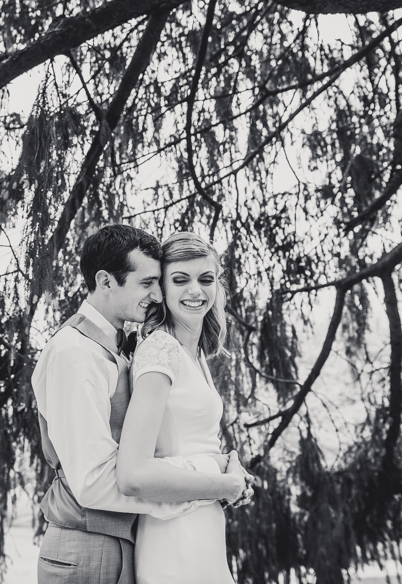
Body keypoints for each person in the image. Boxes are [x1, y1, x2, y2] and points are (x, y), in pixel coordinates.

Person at [32, 224, 251, 584]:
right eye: (147, 283)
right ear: (105, 281)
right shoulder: (73, 353)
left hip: (123, 540)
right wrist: (211, 485)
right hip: (85, 548)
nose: (157, 294)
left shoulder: (123, 345)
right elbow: (93, 482)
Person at [117, 232, 253, 584]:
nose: (196, 291)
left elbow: (191, 443)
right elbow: (134, 474)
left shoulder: (193, 353)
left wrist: (230, 471)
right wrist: (224, 484)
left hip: (203, 527)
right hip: (175, 534)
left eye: (206, 279)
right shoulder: (159, 350)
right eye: (180, 280)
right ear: (161, 288)